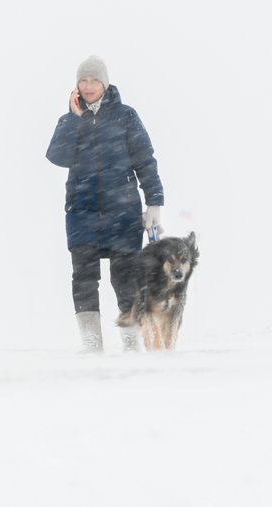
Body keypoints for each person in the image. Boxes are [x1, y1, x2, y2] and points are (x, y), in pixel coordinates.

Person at [46, 55, 164, 353]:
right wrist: (74, 119)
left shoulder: (126, 116)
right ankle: (91, 341)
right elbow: (58, 157)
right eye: (83, 80)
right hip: (81, 211)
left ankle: (129, 339)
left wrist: (154, 202)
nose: (88, 86)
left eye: (94, 80)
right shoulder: (69, 119)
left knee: (124, 278)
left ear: (105, 83)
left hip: (121, 210)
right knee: (83, 277)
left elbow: (145, 161)